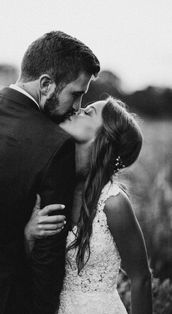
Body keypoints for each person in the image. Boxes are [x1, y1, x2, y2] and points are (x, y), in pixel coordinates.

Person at [0, 31, 100, 314]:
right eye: (76, 94)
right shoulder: (55, 144)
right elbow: (48, 256)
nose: (78, 107)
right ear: (46, 84)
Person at [25, 97, 152, 314]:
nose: (77, 109)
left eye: (88, 112)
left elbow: (141, 278)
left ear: (102, 137)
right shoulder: (54, 185)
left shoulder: (114, 203)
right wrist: (29, 233)